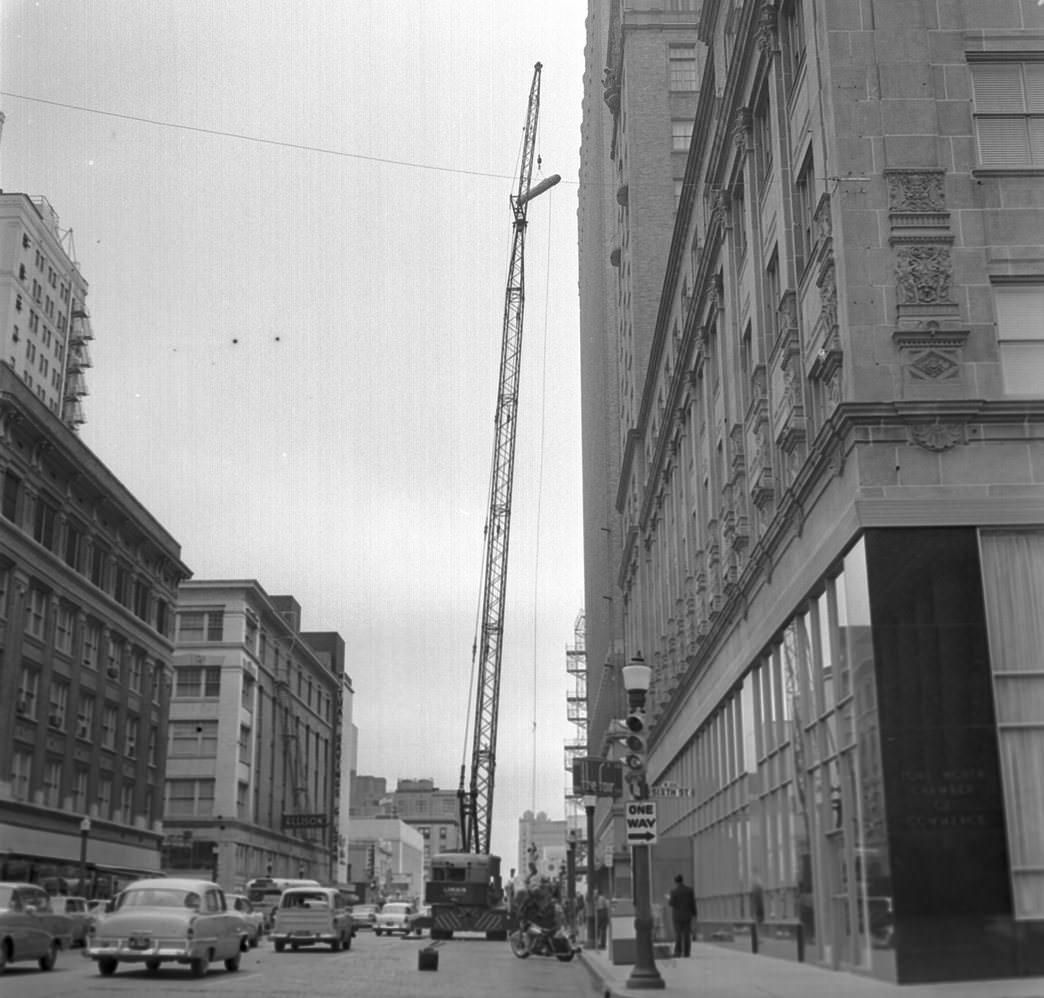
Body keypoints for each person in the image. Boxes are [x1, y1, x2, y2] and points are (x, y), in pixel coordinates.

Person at [667, 874, 697, 957]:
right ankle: (687, 953)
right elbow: (692, 903)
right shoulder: (689, 890)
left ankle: (678, 952)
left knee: (678, 935)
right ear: (682, 880)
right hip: (687, 915)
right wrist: (694, 914)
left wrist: (669, 899)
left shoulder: (673, 891)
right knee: (687, 935)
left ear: (675, 882)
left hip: (677, 917)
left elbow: (671, 903)